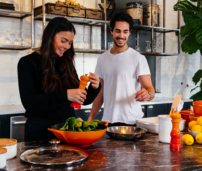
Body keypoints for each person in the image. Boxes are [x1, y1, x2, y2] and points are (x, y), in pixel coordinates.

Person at [17, 17, 101, 141]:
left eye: (70, 42)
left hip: (67, 130)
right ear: (50, 37)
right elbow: (29, 103)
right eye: (64, 41)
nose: (67, 46)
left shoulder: (67, 63)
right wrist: (65, 95)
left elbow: (82, 100)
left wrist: (94, 87)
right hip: (39, 132)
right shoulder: (27, 63)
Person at [87, 12, 155, 126]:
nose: (121, 35)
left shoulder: (138, 58)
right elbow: (100, 92)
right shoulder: (102, 59)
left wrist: (148, 95)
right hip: (108, 121)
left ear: (130, 32)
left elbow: (150, 89)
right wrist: (90, 119)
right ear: (111, 31)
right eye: (118, 31)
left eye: (125, 31)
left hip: (131, 121)